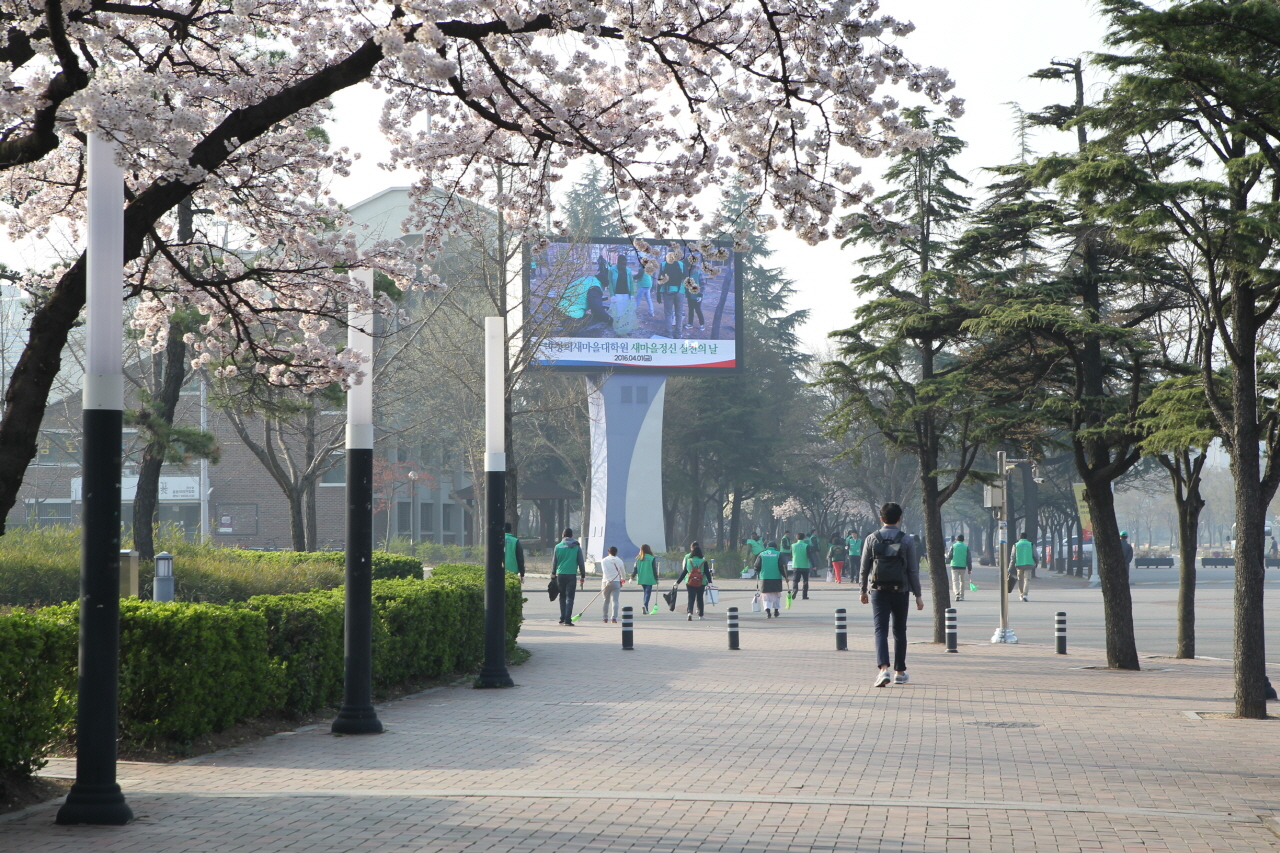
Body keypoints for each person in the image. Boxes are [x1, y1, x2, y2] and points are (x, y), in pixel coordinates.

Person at [860, 502, 923, 687]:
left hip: (878, 591)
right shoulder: (907, 540)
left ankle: (883, 669)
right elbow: (913, 570)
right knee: (899, 630)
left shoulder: (871, 538)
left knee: (880, 630)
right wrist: (918, 595)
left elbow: (864, 568)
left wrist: (862, 591)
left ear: (881, 518)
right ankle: (900, 672)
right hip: (901, 591)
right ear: (900, 518)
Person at [553, 527, 587, 625]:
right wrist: (582, 575)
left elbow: (554, 562)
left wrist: (553, 573)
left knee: (562, 596)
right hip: (571, 575)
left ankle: (562, 618)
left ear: (563, 535)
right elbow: (581, 562)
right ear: (571, 535)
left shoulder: (558, 546)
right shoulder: (576, 546)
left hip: (560, 574)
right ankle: (568, 620)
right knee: (570, 597)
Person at [675, 542, 713, 620]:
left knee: (691, 597)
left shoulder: (689, 560)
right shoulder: (703, 561)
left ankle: (689, 613)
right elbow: (707, 572)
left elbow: (684, 571)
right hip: (701, 582)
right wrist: (710, 582)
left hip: (690, 581)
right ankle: (701, 615)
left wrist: (678, 582)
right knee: (700, 598)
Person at [754, 541, 790, 617]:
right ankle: (776, 611)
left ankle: (768, 612)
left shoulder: (762, 554)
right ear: (775, 547)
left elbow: (756, 566)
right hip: (776, 577)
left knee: (766, 595)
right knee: (776, 594)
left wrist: (757, 571)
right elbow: (782, 566)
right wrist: (785, 576)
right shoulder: (778, 554)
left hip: (764, 578)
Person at [600, 545, 626, 623]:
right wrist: (623, 579)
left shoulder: (604, 560)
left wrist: (608, 580)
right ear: (616, 552)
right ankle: (614, 618)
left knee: (606, 600)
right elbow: (623, 572)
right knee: (615, 601)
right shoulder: (619, 561)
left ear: (608, 552)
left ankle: (605, 618)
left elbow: (605, 571)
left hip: (606, 582)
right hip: (616, 582)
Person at [631, 544, 660, 613]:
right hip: (649, 578)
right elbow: (654, 569)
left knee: (645, 592)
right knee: (648, 592)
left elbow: (635, 569)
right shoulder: (651, 558)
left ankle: (645, 607)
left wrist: (631, 577)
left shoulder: (638, 558)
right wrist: (657, 578)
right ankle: (645, 605)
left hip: (641, 578)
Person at [945, 533, 971, 601]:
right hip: (963, 566)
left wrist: (946, 555)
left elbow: (949, 556)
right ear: (963, 540)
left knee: (955, 581)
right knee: (962, 581)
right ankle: (962, 595)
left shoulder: (953, 546)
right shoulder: (966, 547)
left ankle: (957, 594)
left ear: (957, 539)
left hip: (954, 565)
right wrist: (969, 568)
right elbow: (969, 559)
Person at [1013, 531, 1036, 601]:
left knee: (1020, 580)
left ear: (1019, 537)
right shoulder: (1031, 544)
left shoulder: (1016, 545)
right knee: (1027, 580)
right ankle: (1025, 594)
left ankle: (1020, 595)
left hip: (1019, 564)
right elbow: (1035, 555)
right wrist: (1036, 562)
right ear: (1027, 537)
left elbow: (1012, 556)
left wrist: (1010, 566)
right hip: (1029, 564)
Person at [790, 534, 812, 600]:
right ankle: (804, 596)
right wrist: (814, 565)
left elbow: (791, 554)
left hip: (796, 565)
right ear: (804, 538)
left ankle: (795, 589)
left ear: (796, 538)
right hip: (805, 566)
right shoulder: (806, 546)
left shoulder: (792, 545)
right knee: (805, 581)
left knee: (795, 580)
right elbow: (809, 556)